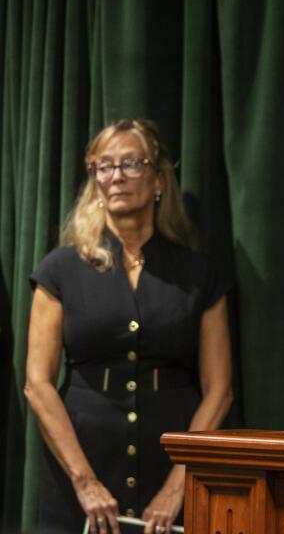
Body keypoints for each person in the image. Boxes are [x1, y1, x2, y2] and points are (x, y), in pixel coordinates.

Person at [24, 119, 233, 534]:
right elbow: (37, 384)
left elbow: (220, 390)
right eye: (104, 166)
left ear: (158, 180)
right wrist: (84, 482)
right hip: (80, 462)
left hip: (170, 459)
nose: (116, 176)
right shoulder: (59, 270)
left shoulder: (198, 273)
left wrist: (179, 485)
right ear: (95, 182)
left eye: (131, 163)